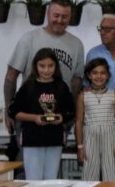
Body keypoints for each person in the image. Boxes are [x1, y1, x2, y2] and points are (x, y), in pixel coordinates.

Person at [5, 0, 84, 131]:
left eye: (65, 16)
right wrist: (8, 111)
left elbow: (76, 83)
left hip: (58, 118)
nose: (60, 20)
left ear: (70, 16)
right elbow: (11, 77)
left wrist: (73, 114)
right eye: (56, 15)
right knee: (27, 152)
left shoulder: (76, 44)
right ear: (48, 13)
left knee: (55, 152)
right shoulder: (29, 40)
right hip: (28, 115)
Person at [8, 48, 75, 180]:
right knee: (33, 180)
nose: (46, 70)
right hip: (32, 139)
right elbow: (13, 111)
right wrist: (34, 118)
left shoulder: (61, 86)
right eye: (42, 66)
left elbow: (71, 111)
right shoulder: (28, 86)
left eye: (50, 66)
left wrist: (61, 117)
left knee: (50, 180)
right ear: (35, 66)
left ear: (56, 66)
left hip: (54, 139)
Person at [86, 14, 115, 179]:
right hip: (101, 122)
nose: (103, 32)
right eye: (101, 29)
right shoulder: (93, 53)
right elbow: (87, 90)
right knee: (103, 171)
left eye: (108, 29)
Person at [75, 58, 115, 181]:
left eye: (102, 73)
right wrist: (80, 147)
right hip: (90, 136)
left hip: (110, 136)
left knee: (111, 173)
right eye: (95, 73)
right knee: (89, 172)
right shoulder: (83, 96)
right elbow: (79, 122)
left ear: (108, 76)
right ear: (89, 76)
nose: (99, 76)